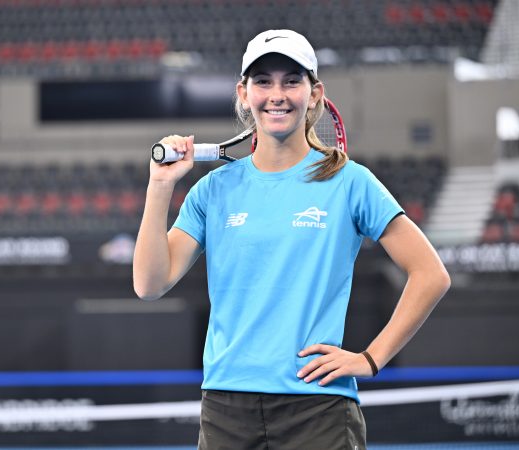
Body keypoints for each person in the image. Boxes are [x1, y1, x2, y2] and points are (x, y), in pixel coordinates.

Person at [133, 29, 450, 449]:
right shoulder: (211, 190)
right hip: (227, 409)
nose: (276, 94)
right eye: (263, 82)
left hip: (318, 411)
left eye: (291, 81)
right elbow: (149, 284)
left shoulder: (351, 182)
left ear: (315, 93)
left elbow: (431, 274)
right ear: (243, 94)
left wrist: (370, 359)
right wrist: (160, 185)